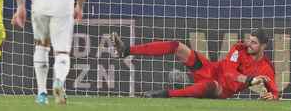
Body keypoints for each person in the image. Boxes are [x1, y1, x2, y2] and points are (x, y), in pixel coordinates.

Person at [111, 28, 278, 100]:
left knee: (211, 85)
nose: (249, 44)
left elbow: (274, 90)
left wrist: (273, 96)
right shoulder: (239, 48)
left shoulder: (266, 67)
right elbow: (229, 73)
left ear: (264, 46)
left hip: (221, 88)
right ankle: (126, 50)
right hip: (210, 69)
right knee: (177, 46)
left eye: (254, 43)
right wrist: (249, 80)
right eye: (250, 40)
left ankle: (165, 94)